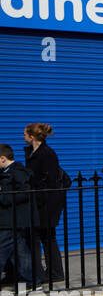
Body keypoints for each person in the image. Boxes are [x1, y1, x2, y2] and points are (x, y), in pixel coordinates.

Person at [23, 123, 66, 282]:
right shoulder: (32, 153)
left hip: (46, 203)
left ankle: (54, 272)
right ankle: (45, 271)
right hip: (38, 202)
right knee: (42, 236)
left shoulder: (47, 154)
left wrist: (36, 195)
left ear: (32, 136)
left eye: (25, 134)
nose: (23, 136)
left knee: (47, 237)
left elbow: (50, 181)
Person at [0, 144, 41, 286]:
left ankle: (32, 279)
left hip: (12, 220)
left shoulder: (17, 172)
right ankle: (32, 279)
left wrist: (3, 197)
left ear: (3, 158)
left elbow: (23, 193)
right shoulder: (7, 172)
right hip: (9, 220)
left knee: (4, 248)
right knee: (19, 251)